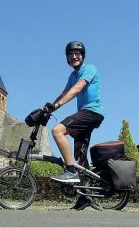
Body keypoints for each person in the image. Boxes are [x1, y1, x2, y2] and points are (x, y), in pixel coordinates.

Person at [43, 41, 104, 209]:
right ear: (67, 59)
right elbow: (64, 93)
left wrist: (56, 106)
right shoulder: (72, 76)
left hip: (91, 112)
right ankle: (85, 197)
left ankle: (70, 171)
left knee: (57, 131)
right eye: (71, 54)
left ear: (82, 56)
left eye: (78, 53)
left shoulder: (89, 68)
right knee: (80, 158)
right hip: (87, 114)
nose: (74, 56)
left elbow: (77, 89)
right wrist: (49, 108)